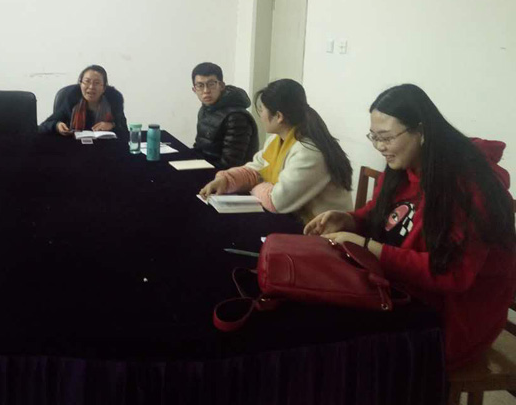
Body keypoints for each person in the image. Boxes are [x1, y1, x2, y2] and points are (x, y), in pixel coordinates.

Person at [304, 84, 516, 370]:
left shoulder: (468, 186)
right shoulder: (404, 168)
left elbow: (452, 274)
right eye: (374, 137)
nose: (379, 147)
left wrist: (366, 246)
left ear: (421, 131)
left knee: (335, 340)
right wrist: (350, 220)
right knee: (314, 308)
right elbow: (387, 215)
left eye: (387, 137)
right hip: (408, 290)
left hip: (455, 317)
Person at [200, 79, 353, 220]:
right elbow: (255, 170)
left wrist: (255, 184)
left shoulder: (309, 152)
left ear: (278, 116)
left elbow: (277, 201)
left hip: (321, 232)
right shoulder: (277, 140)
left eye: (262, 110)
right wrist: (226, 180)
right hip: (293, 219)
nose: (261, 116)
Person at [190, 62, 257, 168]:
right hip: (208, 167)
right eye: (200, 85)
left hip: (228, 175)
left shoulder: (236, 117)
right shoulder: (206, 109)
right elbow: (200, 147)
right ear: (194, 89)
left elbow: (230, 165)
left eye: (211, 84)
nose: (206, 91)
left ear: (221, 86)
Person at [39, 65, 128, 139]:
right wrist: (57, 125)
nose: (91, 87)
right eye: (87, 81)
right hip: (74, 149)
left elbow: (125, 133)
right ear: (81, 84)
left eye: (97, 83)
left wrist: (112, 125)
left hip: (104, 149)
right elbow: (43, 126)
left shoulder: (113, 102)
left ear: (104, 88)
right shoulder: (72, 101)